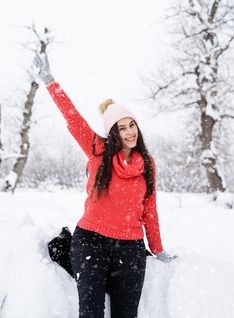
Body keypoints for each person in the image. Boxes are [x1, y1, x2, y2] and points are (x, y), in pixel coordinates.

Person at [34, 54, 176, 318]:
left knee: (126, 314)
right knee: (91, 312)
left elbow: (150, 208)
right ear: (113, 133)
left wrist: (157, 249)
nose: (129, 132)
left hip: (131, 248)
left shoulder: (147, 163)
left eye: (132, 125)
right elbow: (72, 117)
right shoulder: (97, 151)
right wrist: (50, 82)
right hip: (91, 241)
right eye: (122, 128)